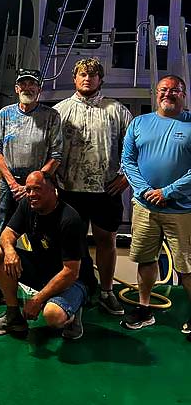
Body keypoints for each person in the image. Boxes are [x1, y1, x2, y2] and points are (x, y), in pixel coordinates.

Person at [53, 58, 132, 316]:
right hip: (68, 190)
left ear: (100, 79)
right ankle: (74, 289)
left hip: (105, 191)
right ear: (75, 79)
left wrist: (126, 176)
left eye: (93, 74)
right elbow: (49, 150)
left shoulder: (117, 111)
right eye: (82, 74)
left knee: (106, 242)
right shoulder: (60, 111)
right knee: (70, 244)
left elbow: (135, 148)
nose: (87, 78)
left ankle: (107, 293)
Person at [0, 68, 62, 307]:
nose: (27, 88)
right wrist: (13, 183)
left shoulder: (51, 116)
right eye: (23, 84)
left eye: (32, 84)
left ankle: (49, 286)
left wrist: (35, 184)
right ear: (16, 88)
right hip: (12, 183)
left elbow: (56, 155)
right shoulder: (5, 114)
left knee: (43, 235)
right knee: (4, 232)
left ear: (39, 89)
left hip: (39, 183)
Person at [0, 171, 96, 340]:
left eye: (37, 189)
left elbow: (71, 272)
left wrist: (37, 300)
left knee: (53, 315)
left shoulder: (69, 219)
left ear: (53, 190)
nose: (31, 194)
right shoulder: (27, 206)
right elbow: (7, 233)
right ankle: (13, 315)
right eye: (28, 189)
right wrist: (10, 251)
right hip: (42, 269)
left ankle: (72, 314)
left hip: (73, 279)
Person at [121, 75, 191, 331]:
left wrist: (168, 192)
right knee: (146, 259)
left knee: (187, 266)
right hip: (145, 207)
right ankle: (144, 308)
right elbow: (127, 161)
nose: (168, 94)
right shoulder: (140, 123)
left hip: (181, 210)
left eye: (175, 90)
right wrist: (145, 190)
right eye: (164, 89)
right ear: (156, 92)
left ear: (183, 94)